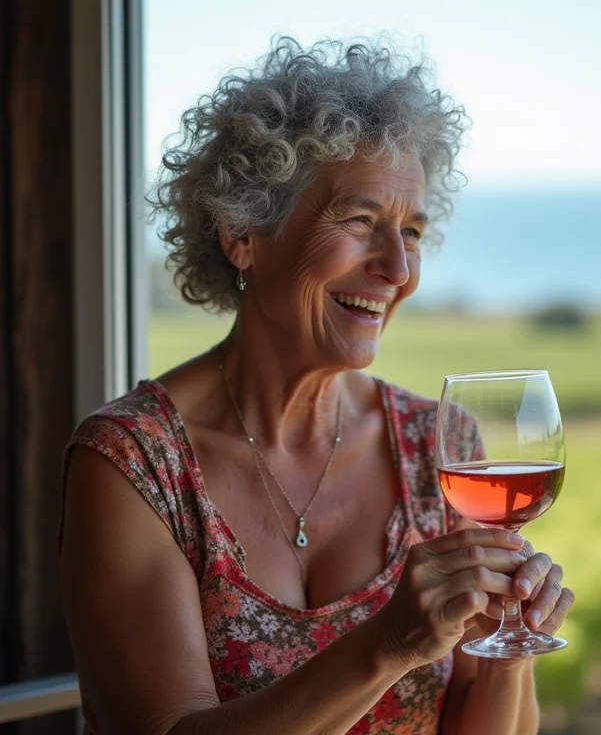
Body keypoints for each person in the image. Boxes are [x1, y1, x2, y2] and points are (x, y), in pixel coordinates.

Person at [59, 37, 574, 735]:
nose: (397, 269)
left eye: (411, 231)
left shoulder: (437, 444)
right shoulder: (131, 463)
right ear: (243, 233)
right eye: (360, 221)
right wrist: (390, 644)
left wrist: (508, 652)